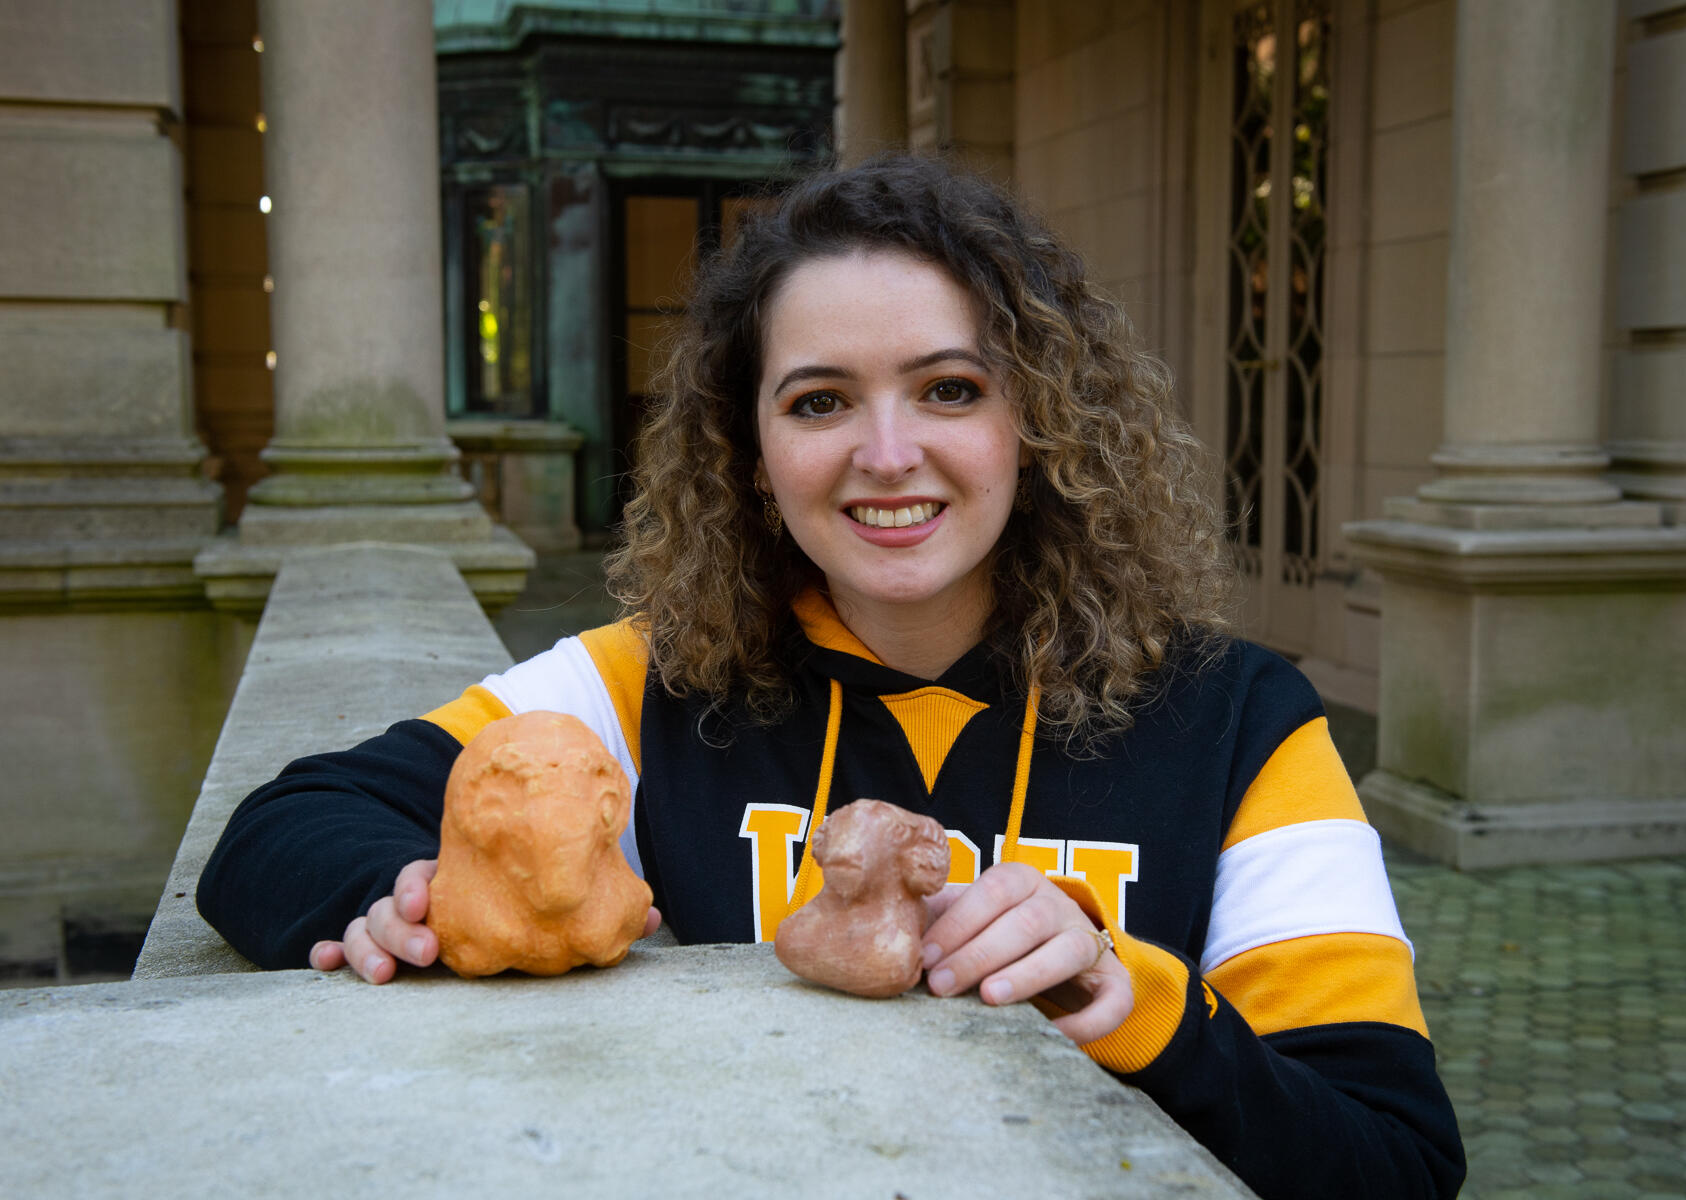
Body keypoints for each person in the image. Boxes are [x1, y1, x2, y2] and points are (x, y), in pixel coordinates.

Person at [198, 156, 1464, 1199]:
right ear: (749, 454)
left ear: (1038, 424)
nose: (889, 454)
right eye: (818, 403)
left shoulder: (1240, 720)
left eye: (950, 389)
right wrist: (408, 899)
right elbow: (276, 832)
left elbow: (1392, 1162)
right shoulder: (651, 684)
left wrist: (1133, 1001)